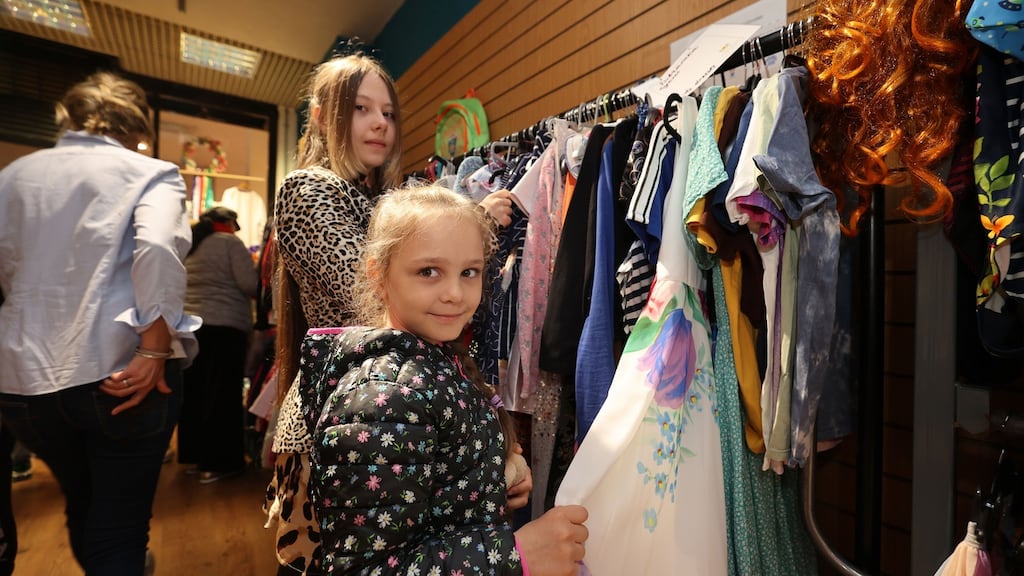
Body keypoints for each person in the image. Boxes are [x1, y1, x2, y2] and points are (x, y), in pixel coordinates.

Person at [267, 52, 518, 575]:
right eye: (360, 108)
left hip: (396, 406)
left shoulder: (376, 197)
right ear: (321, 115)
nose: (380, 122)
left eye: (388, 112)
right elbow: (360, 287)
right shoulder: (308, 188)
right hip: (354, 416)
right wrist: (465, 219)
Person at [297, 184, 587, 575]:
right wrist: (516, 555)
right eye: (428, 272)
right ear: (377, 273)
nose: (454, 292)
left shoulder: (436, 358)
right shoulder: (384, 395)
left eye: (469, 272)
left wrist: (487, 482)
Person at [0, 72, 197, 575]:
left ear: (67, 117)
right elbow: (156, 247)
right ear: (135, 127)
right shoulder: (149, 171)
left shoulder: (14, 175)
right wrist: (154, 349)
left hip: (24, 383)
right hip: (120, 373)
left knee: (82, 501)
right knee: (119, 529)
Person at [179, 206, 259, 483]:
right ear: (224, 224)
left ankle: (197, 459)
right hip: (224, 327)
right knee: (222, 395)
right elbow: (250, 284)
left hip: (191, 328)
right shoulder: (229, 244)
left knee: (195, 394)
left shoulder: (190, 244)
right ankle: (221, 462)